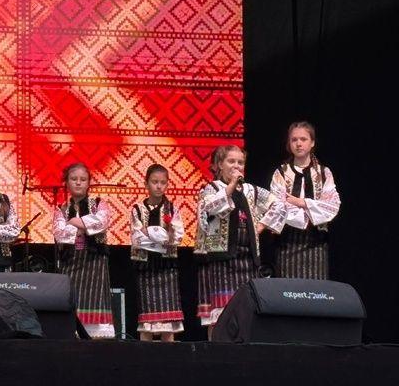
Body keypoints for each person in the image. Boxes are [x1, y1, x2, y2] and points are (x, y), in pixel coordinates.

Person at [193, 145, 285, 335]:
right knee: (219, 316)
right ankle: (216, 349)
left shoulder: (251, 190)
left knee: (245, 314)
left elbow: (278, 204)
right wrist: (231, 185)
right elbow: (210, 207)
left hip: (247, 260)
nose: (237, 166)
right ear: (220, 164)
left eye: (240, 162)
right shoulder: (211, 188)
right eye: (231, 161)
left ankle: (240, 350)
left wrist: (261, 225)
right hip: (221, 261)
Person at [269, 121, 341, 279]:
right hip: (287, 240)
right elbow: (278, 205)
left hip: (316, 242)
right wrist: (312, 209)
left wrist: (302, 202)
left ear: (312, 142)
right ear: (289, 143)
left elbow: (331, 206)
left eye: (303, 139)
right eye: (294, 140)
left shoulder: (323, 173)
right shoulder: (281, 172)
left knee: (315, 289)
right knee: (288, 289)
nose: (298, 143)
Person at [53, 162, 115, 339]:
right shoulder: (62, 208)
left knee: (94, 298)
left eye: (83, 179)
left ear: (89, 183)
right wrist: (84, 227)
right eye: (74, 179)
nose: (78, 182)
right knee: (72, 298)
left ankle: (95, 339)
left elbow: (101, 222)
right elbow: (59, 233)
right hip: (71, 260)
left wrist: (73, 222)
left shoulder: (99, 204)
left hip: (94, 260)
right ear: (67, 182)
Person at [130, 163, 185, 341]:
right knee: (146, 318)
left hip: (167, 266)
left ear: (167, 184)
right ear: (146, 184)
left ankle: (168, 355)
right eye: (155, 182)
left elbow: (177, 237)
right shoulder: (137, 209)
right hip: (145, 266)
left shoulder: (172, 209)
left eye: (163, 182)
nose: (159, 186)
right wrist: (162, 237)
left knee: (168, 321)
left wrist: (151, 233)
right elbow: (137, 239)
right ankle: (144, 354)